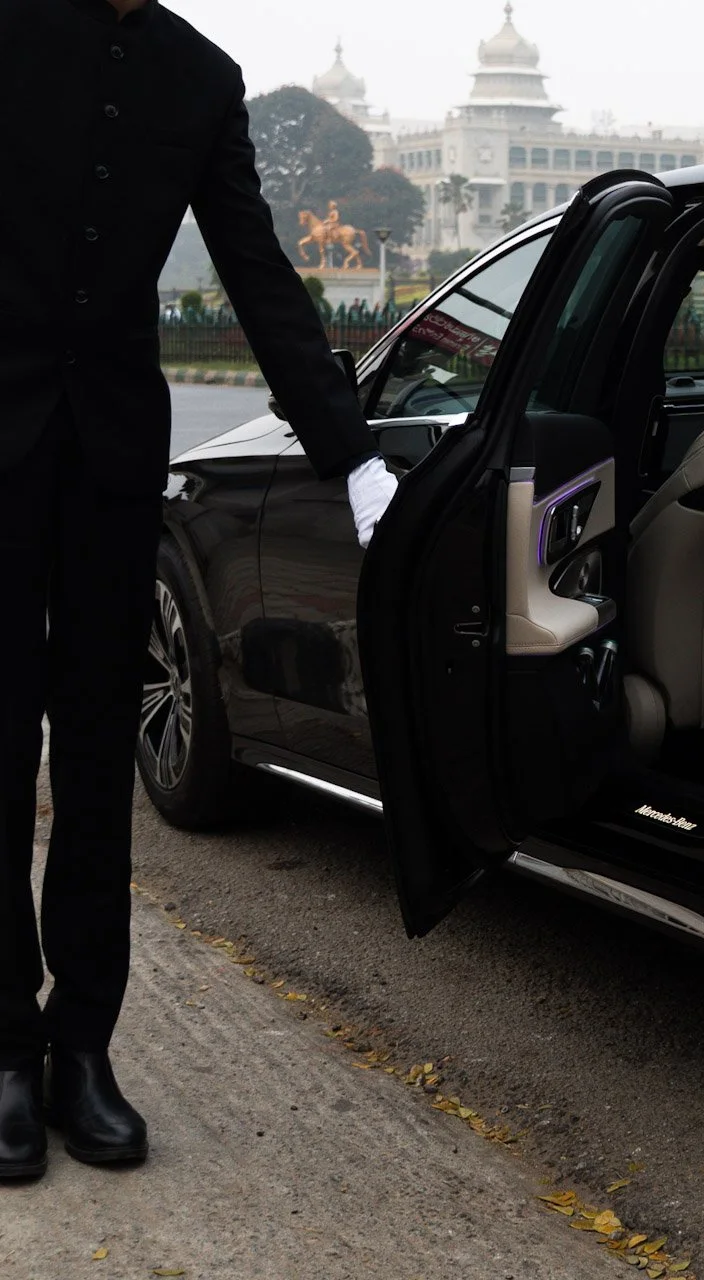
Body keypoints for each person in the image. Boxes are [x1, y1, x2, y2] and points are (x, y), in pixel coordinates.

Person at [0, 0, 398, 1179]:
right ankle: (5, 1050)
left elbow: (260, 277)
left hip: (114, 469)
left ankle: (84, 1049)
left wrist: (353, 453)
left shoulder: (199, 77)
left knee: (93, 758)